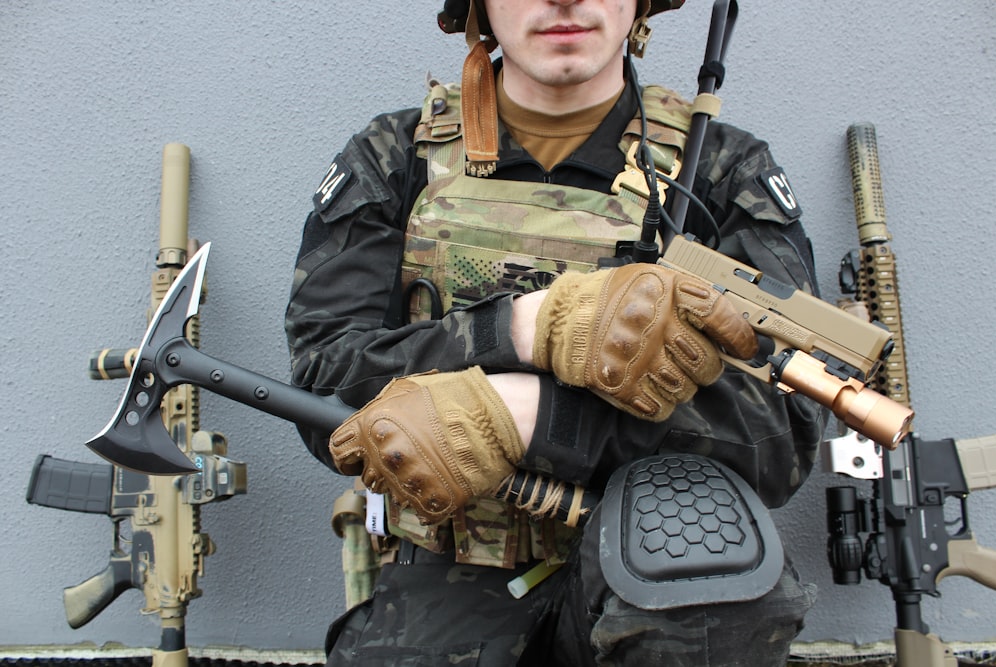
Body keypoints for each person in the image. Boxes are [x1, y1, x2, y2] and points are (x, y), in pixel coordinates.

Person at [285, 1, 826, 664]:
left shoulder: (718, 170)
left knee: (711, 603)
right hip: (451, 566)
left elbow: (782, 435)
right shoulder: (397, 157)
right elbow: (326, 382)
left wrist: (530, 415)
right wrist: (520, 328)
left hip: (654, 560)